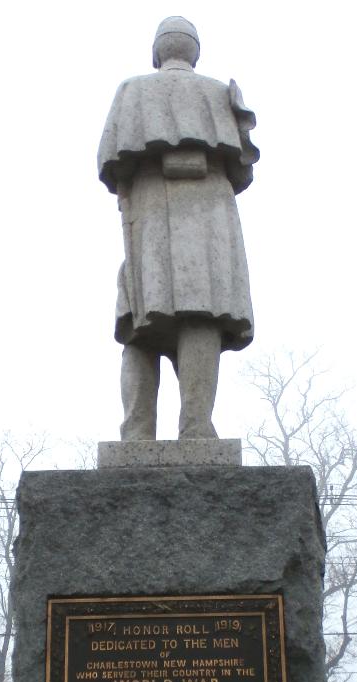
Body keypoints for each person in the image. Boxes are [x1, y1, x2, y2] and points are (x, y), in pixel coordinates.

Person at [98, 16, 258, 440]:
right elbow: (242, 171)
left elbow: (113, 165)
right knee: (200, 314)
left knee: (140, 322)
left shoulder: (133, 90)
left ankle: (136, 433)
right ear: (195, 52)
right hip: (210, 218)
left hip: (148, 215)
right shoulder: (220, 94)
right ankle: (196, 428)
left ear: (156, 52)